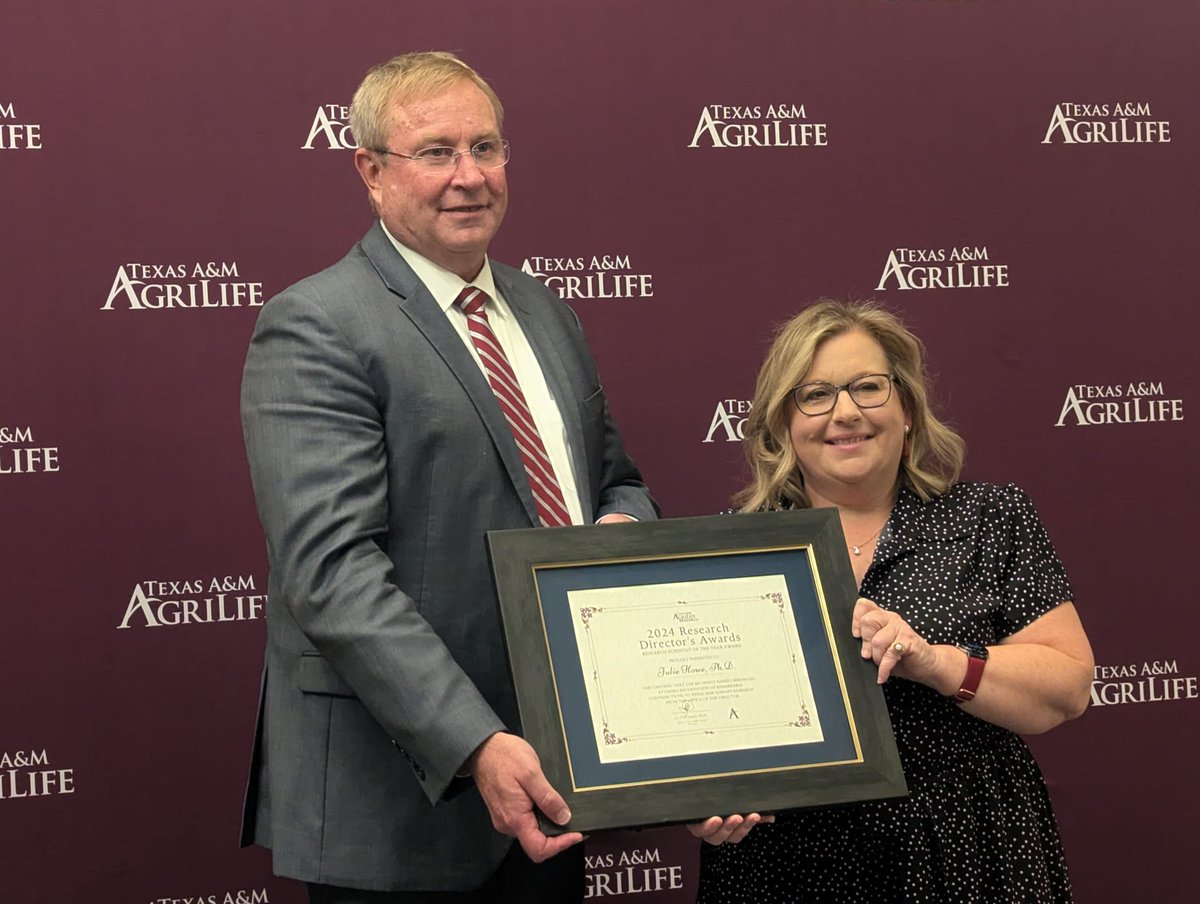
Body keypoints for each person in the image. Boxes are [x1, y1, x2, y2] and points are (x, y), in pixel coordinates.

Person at [238, 51, 658, 903]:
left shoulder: (547, 312)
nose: (469, 176)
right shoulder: (317, 324)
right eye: (435, 152)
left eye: (487, 148)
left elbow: (618, 481)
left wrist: (622, 533)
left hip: (554, 778)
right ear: (370, 171)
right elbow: (332, 575)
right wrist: (476, 743)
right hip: (404, 802)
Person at [692, 300, 1093, 902]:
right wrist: (696, 800)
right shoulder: (731, 546)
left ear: (906, 408)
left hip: (964, 844)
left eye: (868, 388)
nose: (845, 412)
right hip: (784, 860)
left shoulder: (990, 519)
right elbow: (690, 717)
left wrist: (932, 660)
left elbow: (1067, 687)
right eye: (815, 394)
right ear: (782, 424)